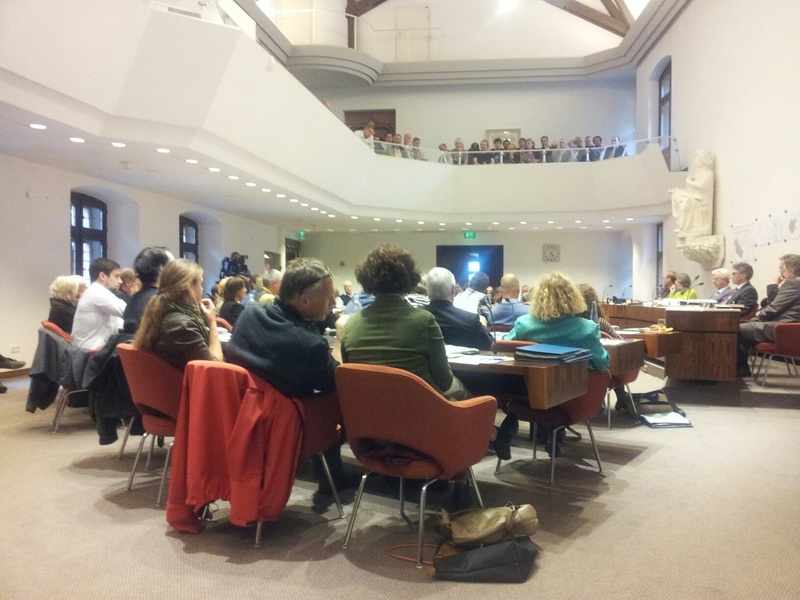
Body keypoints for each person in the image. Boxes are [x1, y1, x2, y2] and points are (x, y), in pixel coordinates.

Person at [340, 245, 476, 509]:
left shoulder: (351, 324)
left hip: (373, 433)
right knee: (463, 400)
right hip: (423, 432)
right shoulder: (423, 321)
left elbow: (354, 377)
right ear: (409, 279)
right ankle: (462, 478)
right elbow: (443, 381)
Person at [225, 258, 354, 496]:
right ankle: (334, 479)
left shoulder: (251, 313)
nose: (333, 302)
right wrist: (339, 339)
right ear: (304, 300)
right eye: (328, 297)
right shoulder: (307, 344)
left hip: (238, 416)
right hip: (285, 425)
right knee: (341, 399)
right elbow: (337, 380)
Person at [500, 272, 610, 457]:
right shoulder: (586, 328)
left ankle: (548, 428)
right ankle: (555, 429)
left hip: (529, 397)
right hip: (574, 400)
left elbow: (504, 347)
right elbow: (602, 363)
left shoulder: (523, 324)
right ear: (572, 297)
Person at [133, 258, 222, 370]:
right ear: (190, 287)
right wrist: (212, 322)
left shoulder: (161, 311)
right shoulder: (183, 325)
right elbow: (214, 368)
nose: (202, 289)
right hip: (184, 380)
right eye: (200, 284)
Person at [738, 254, 800, 376]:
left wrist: (774, 285)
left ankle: (740, 368)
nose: (780, 273)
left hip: (783, 328)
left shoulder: (792, 284)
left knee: (735, 329)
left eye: (782, 270)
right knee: (738, 325)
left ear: (791, 272)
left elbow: (772, 309)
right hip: (790, 327)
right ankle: (740, 367)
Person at [422, 267, 493, 351]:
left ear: (427, 290)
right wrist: (483, 325)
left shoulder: (415, 318)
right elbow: (489, 345)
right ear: (453, 290)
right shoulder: (470, 320)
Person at [71, 258, 127, 349]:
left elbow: (117, 321)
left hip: (86, 349)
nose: (120, 281)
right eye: (116, 276)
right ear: (103, 276)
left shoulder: (94, 291)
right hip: (91, 353)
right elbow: (127, 312)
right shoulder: (98, 292)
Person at [122, 246, 174, 334]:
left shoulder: (133, 300)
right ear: (161, 269)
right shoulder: (163, 301)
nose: (177, 269)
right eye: (173, 265)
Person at [670, 149, 714, 239]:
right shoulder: (699, 174)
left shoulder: (709, 173)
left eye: (697, 159)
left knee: (686, 203)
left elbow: (702, 186)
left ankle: (687, 228)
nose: (695, 162)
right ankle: (684, 227)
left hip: (702, 199)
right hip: (696, 196)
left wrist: (689, 181)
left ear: (703, 159)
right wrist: (679, 190)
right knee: (676, 195)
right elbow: (693, 189)